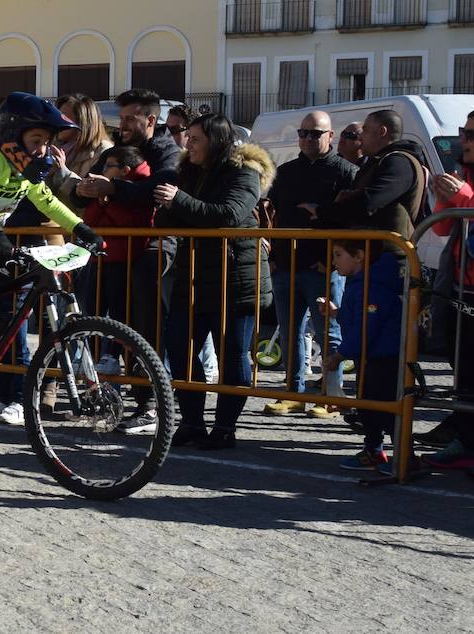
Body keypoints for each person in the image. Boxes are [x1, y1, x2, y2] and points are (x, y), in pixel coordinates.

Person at [0, 92, 103, 409]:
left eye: (47, 141)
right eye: (37, 139)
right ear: (14, 134)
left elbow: (47, 201)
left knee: (4, 315)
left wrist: (81, 228)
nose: (42, 149)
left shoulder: (25, 169)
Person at [154, 113, 274, 450]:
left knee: (232, 353)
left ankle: (225, 428)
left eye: (195, 139)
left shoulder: (244, 172)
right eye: (187, 138)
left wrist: (177, 200)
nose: (187, 144)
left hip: (235, 277)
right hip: (192, 275)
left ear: (216, 141)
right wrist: (170, 204)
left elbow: (227, 215)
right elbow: (171, 219)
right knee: (179, 347)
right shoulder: (189, 172)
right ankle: (192, 422)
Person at [74, 89, 181, 434]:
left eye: (130, 119)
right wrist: (87, 190)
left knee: (143, 325)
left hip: (155, 245)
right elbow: (95, 185)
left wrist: (112, 190)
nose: (122, 126)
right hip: (118, 248)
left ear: (150, 120)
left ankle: (151, 405)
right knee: (112, 322)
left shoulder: (168, 152)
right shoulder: (116, 151)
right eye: (121, 119)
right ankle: (109, 394)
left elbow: (158, 192)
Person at [260, 110, 357, 414]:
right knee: (290, 333)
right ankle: (293, 392)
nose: (307, 139)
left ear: (331, 136)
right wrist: (272, 256)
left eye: (315, 133)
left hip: (324, 268)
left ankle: (331, 395)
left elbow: (352, 223)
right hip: (285, 266)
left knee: (329, 333)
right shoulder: (286, 171)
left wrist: (331, 262)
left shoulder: (346, 172)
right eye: (303, 133)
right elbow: (269, 213)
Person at [316, 240, 404, 470]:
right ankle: (373, 450)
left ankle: (405, 456)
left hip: (384, 358)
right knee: (368, 407)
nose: (333, 261)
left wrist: (339, 356)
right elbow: (358, 318)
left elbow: (366, 327)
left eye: (338, 254)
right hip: (370, 357)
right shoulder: (359, 282)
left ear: (359, 256)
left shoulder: (374, 285)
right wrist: (337, 313)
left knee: (388, 410)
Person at [422, 111, 474, 466]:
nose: (463, 140)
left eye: (470, 134)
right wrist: (447, 197)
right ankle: (465, 439)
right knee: (463, 367)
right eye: (463, 132)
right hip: (459, 286)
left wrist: (466, 196)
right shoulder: (465, 175)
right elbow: (441, 230)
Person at [78, 145, 154, 377]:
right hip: (99, 258)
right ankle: (92, 356)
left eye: (109, 166)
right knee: (93, 311)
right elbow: (89, 219)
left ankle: (112, 355)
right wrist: (102, 202)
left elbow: (130, 221)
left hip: (124, 259)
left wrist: (107, 202)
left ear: (124, 170)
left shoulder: (138, 187)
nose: (103, 170)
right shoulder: (103, 190)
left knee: (120, 314)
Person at [313, 110, 425, 250]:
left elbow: (369, 202)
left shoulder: (399, 162)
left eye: (364, 131)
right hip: (370, 256)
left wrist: (322, 212)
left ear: (382, 132)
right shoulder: (380, 161)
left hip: (389, 257)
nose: (361, 138)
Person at [52, 93, 113, 184]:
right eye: (56, 116)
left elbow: (87, 191)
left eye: (63, 116)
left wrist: (62, 170)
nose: (57, 121)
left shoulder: (103, 151)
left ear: (82, 122)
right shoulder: (53, 146)